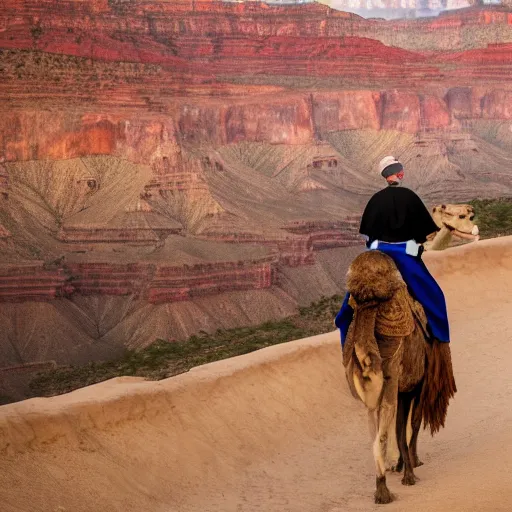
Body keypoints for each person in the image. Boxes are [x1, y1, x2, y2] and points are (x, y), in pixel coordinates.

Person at [335, 155, 449, 347]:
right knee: (433, 295)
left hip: (377, 252)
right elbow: (424, 233)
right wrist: (416, 243)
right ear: (399, 173)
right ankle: (441, 335)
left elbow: (367, 235)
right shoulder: (410, 196)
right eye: (401, 170)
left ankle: (343, 320)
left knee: (354, 291)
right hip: (404, 254)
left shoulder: (375, 200)